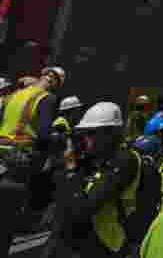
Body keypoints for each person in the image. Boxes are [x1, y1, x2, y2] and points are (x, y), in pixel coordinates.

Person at [47, 102, 142, 257]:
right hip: (78, 241)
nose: (85, 139)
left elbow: (84, 209)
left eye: (91, 133)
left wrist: (71, 169)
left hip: (105, 244)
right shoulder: (93, 157)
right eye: (83, 133)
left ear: (111, 134)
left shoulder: (125, 160)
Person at [0, 66, 64, 257]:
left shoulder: (15, 95)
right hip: (18, 162)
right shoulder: (46, 98)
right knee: (6, 221)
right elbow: (43, 134)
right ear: (54, 83)